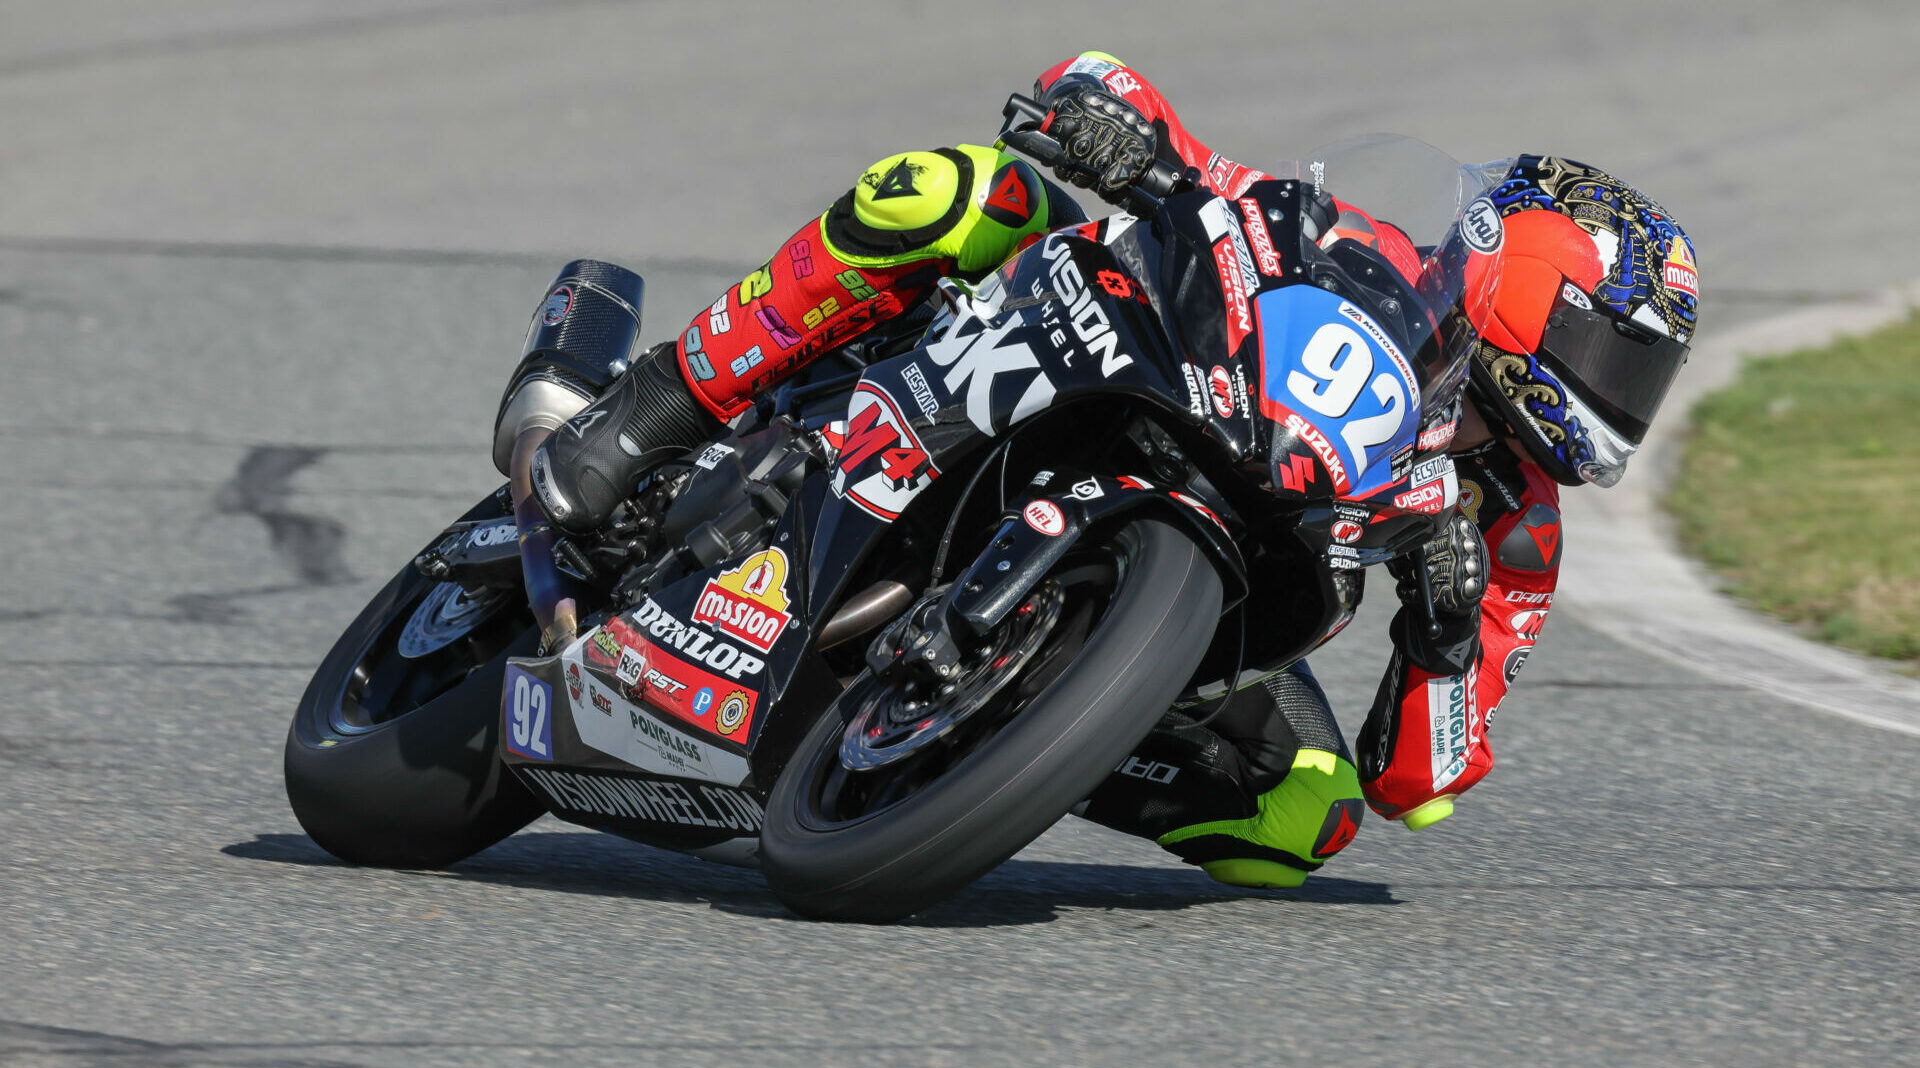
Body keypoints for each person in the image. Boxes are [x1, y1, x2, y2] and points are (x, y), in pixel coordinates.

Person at [519, 51, 1700, 889]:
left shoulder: (1517, 531)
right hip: (1089, 392)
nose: (1617, 398)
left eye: (1640, 377)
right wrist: (1115, 124)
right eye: (1611, 351)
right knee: (965, 192)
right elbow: (1187, 151)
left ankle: (1001, 749)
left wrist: (1442, 635)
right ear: (1521, 272)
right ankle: (649, 412)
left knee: (1307, 815)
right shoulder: (1357, 248)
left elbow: (1422, 781)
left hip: (1226, 571)